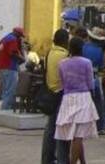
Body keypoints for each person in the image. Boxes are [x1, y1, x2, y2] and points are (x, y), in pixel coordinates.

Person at [55, 37, 99, 164]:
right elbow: (90, 83)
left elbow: (62, 82)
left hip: (68, 98)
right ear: (82, 48)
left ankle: (83, 162)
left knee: (73, 136)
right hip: (83, 97)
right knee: (78, 136)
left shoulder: (62, 63)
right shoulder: (87, 62)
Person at [41, 29, 71, 164]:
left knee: (50, 129)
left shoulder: (49, 53)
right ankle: (62, 160)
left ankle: (46, 159)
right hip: (62, 93)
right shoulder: (65, 55)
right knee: (61, 130)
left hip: (50, 92)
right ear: (65, 41)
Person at [73, 28, 105, 133]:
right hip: (94, 78)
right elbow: (101, 67)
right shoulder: (100, 50)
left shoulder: (83, 48)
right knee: (97, 103)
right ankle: (99, 126)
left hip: (82, 78)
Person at [0, 26, 25, 110]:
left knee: (5, 91)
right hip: (10, 68)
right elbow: (13, 53)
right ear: (17, 34)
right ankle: (5, 110)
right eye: (20, 36)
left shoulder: (3, 39)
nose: (20, 38)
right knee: (11, 91)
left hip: (2, 68)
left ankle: (6, 109)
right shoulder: (13, 39)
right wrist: (22, 58)